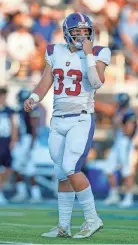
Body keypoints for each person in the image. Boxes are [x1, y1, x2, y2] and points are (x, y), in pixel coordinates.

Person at [24, 12, 111, 239]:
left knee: (71, 166)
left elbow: (96, 82)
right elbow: (45, 81)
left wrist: (89, 54)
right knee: (62, 172)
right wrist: (34, 97)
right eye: (77, 32)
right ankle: (64, 226)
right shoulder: (55, 51)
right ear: (67, 33)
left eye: (85, 32)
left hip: (81, 118)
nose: (82, 36)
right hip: (58, 119)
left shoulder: (100, 52)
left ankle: (92, 218)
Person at [104, 92, 134, 205]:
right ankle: (114, 194)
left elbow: (128, 132)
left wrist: (119, 123)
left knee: (126, 170)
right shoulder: (119, 112)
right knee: (108, 168)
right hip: (118, 142)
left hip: (126, 143)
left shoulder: (130, 114)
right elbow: (115, 131)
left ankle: (128, 197)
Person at [11, 88, 40, 202]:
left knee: (27, 169)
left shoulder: (31, 110)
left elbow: (33, 129)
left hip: (27, 141)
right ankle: (25, 193)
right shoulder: (19, 111)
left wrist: (31, 145)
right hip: (22, 141)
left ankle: (34, 194)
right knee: (19, 168)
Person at [0, 87, 18, 204]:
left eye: (4, 96)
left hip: (6, 141)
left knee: (8, 167)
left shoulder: (9, 110)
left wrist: (13, 140)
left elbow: (13, 125)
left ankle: (0, 190)